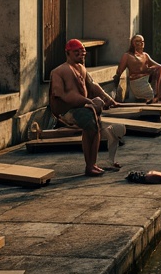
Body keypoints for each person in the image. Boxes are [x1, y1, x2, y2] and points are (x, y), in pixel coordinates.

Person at [50, 39, 122, 176]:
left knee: (94, 125)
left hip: (81, 106)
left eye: (82, 51)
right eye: (76, 51)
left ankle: (92, 164)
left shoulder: (81, 68)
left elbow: (93, 85)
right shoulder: (59, 71)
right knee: (92, 126)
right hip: (68, 110)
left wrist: (109, 99)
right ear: (68, 52)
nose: (80, 54)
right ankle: (90, 166)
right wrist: (88, 101)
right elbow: (63, 95)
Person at [113, 34, 161, 103]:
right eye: (137, 41)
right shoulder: (127, 56)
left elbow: (160, 67)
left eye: (142, 41)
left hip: (147, 80)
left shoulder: (145, 55)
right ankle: (157, 95)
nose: (141, 43)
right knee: (157, 72)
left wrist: (152, 70)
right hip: (138, 83)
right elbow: (119, 72)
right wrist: (116, 89)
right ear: (132, 43)